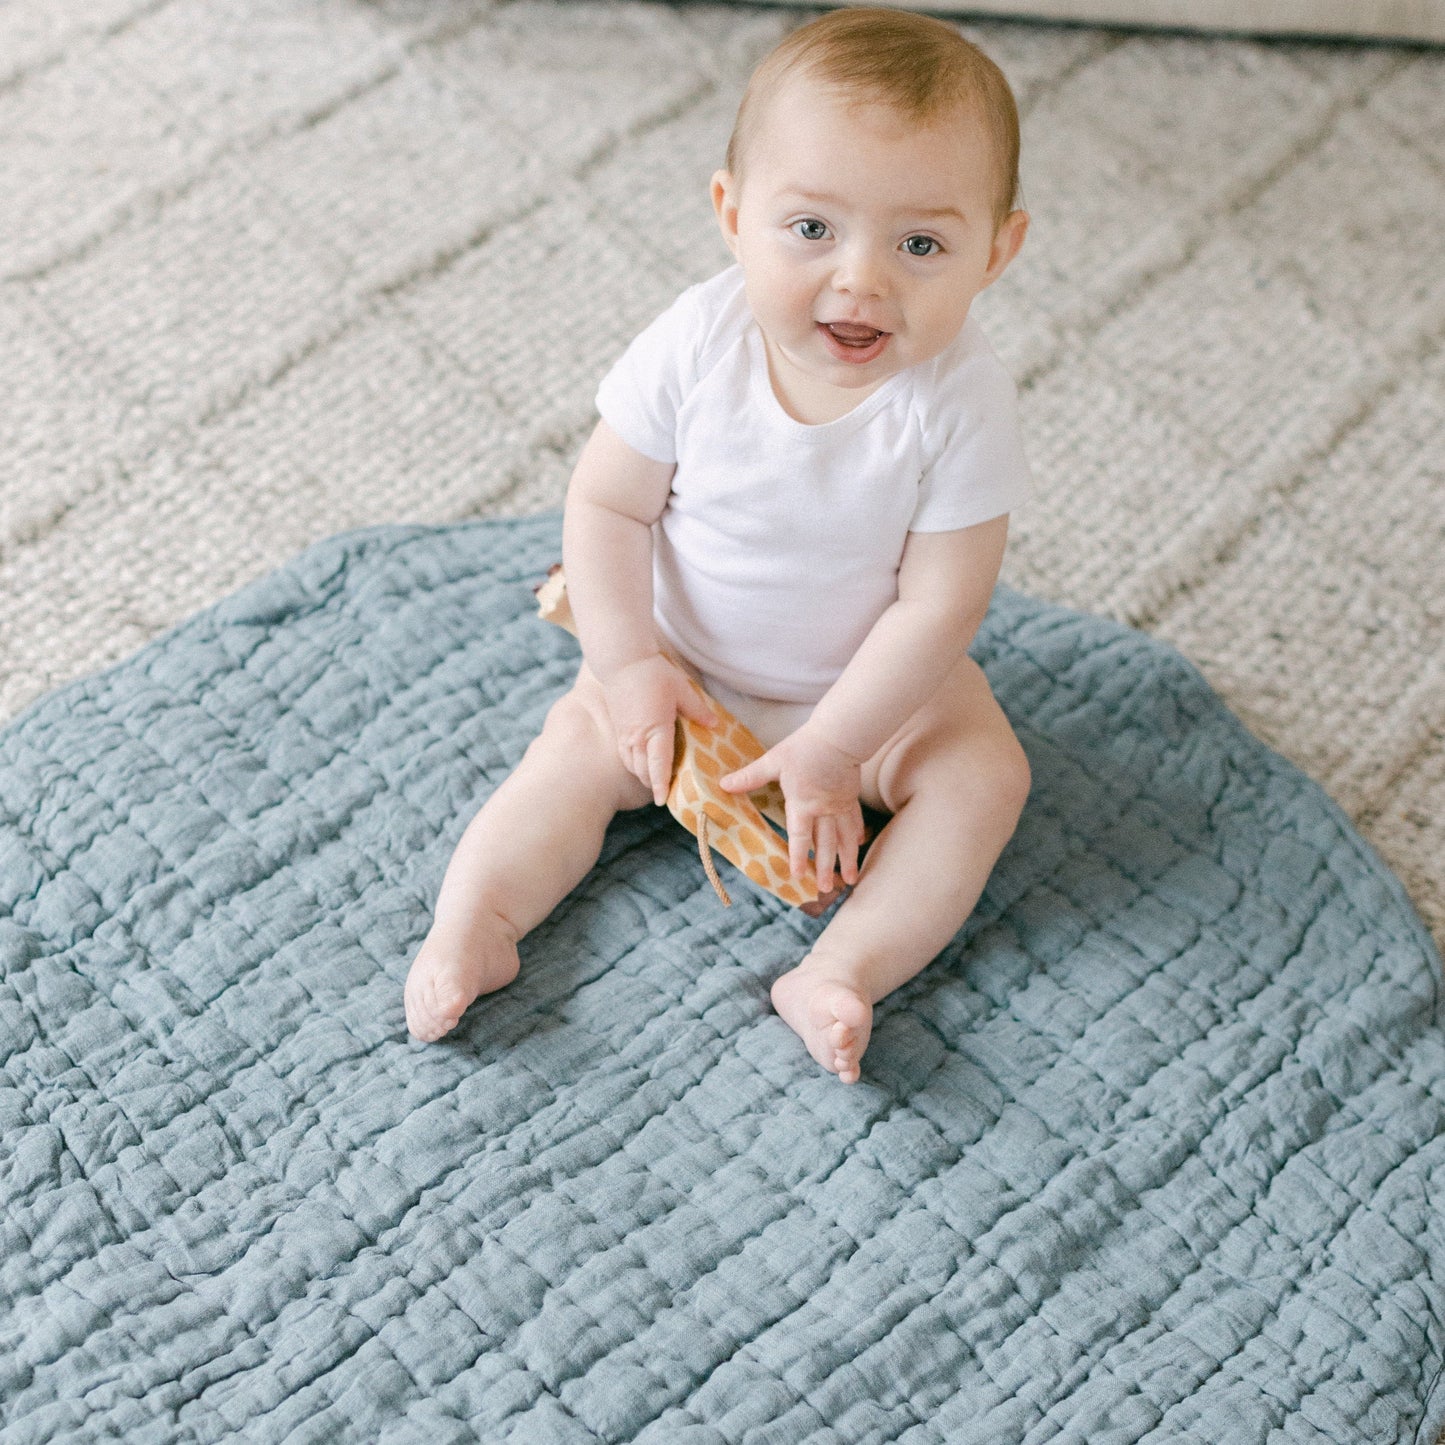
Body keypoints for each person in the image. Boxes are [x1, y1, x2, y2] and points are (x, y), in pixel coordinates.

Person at [405, 7, 1034, 1084]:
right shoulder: (698, 341)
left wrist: (837, 750)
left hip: (862, 697)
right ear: (731, 212)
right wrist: (628, 663)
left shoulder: (958, 403)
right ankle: (475, 921)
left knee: (984, 775)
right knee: (569, 753)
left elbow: (939, 608)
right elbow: (607, 508)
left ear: (997, 250)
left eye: (920, 244)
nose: (860, 281)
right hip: (683, 672)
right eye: (810, 230)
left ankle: (840, 969)